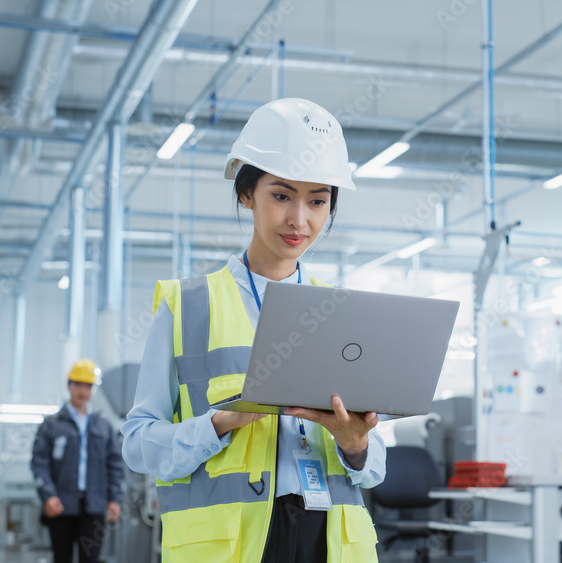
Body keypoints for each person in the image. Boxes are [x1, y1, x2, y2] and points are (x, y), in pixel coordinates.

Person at [121, 98, 385, 563]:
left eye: (318, 201)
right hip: (232, 546)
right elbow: (139, 445)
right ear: (247, 193)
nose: (299, 220)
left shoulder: (344, 311)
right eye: (281, 195)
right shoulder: (187, 307)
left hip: (330, 540)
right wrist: (217, 425)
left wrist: (356, 445)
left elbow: (375, 467)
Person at [31, 358, 123, 563]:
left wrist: (115, 498)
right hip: (61, 505)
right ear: (69, 385)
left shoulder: (103, 426)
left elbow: (114, 465)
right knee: (61, 557)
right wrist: (48, 496)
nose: (83, 390)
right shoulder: (52, 425)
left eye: (88, 385)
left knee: (90, 559)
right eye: (78, 384)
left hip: (94, 506)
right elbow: (39, 464)